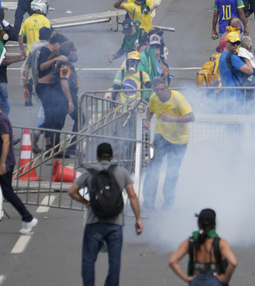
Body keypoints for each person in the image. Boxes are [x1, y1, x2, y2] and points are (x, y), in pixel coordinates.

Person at [68, 143, 143, 286]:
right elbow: (132, 196)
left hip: (94, 222)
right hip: (115, 224)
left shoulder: (89, 172)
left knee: (89, 260)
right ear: (112, 156)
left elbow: (71, 191)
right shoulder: (121, 172)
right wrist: (138, 219)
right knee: (115, 261)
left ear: (96, 156)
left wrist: (86, 202)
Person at [0, 91, 38, 236]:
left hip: (2, 164)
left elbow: (6, 142)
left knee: (7, 192)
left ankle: (28, 218)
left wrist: (2, 163)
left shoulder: (2, 120)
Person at [143, 78, 195, 210]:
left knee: (172, 172)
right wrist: (147, 121)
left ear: (167, 88)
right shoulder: (154, 98)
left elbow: (191, 117)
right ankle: (148, 201)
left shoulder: (177, 98)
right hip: (161, 136)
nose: (159, 92)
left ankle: (168, 202)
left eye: (162, 89)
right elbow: (150, 109)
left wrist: (172, 119)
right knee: (152, 168)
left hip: (179, 141)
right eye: (156, 90)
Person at [168, 209, 237, 285]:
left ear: (199, 223)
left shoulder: (190, 241)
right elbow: (233, 263)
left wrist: (186, 278)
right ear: (214, 223)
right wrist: (225, 279)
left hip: (196, 281)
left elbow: (172, 261)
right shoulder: (220, 243)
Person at [0, 21, 24, 117]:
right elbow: (1, 62)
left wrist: (15, 58)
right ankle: (1, 124)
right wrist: (15, 60)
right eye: (5, 31)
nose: (6, 33)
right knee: (4, 104)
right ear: (0, 32)